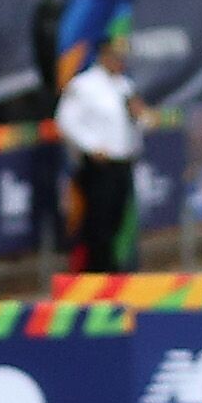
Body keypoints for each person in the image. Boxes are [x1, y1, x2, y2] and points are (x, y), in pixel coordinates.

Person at [56, 30, 144, 275]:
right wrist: (91, 147)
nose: (121, 61)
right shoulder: (84, 85)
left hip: (122, 162)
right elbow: (66, 120)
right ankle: (96, 274)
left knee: (117, 219)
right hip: (99, 165)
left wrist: (140, 116)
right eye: (116, 56)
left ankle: (112, 272)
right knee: (98, 223)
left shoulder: (125, 85)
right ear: (103, 55)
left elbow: (136, 121)